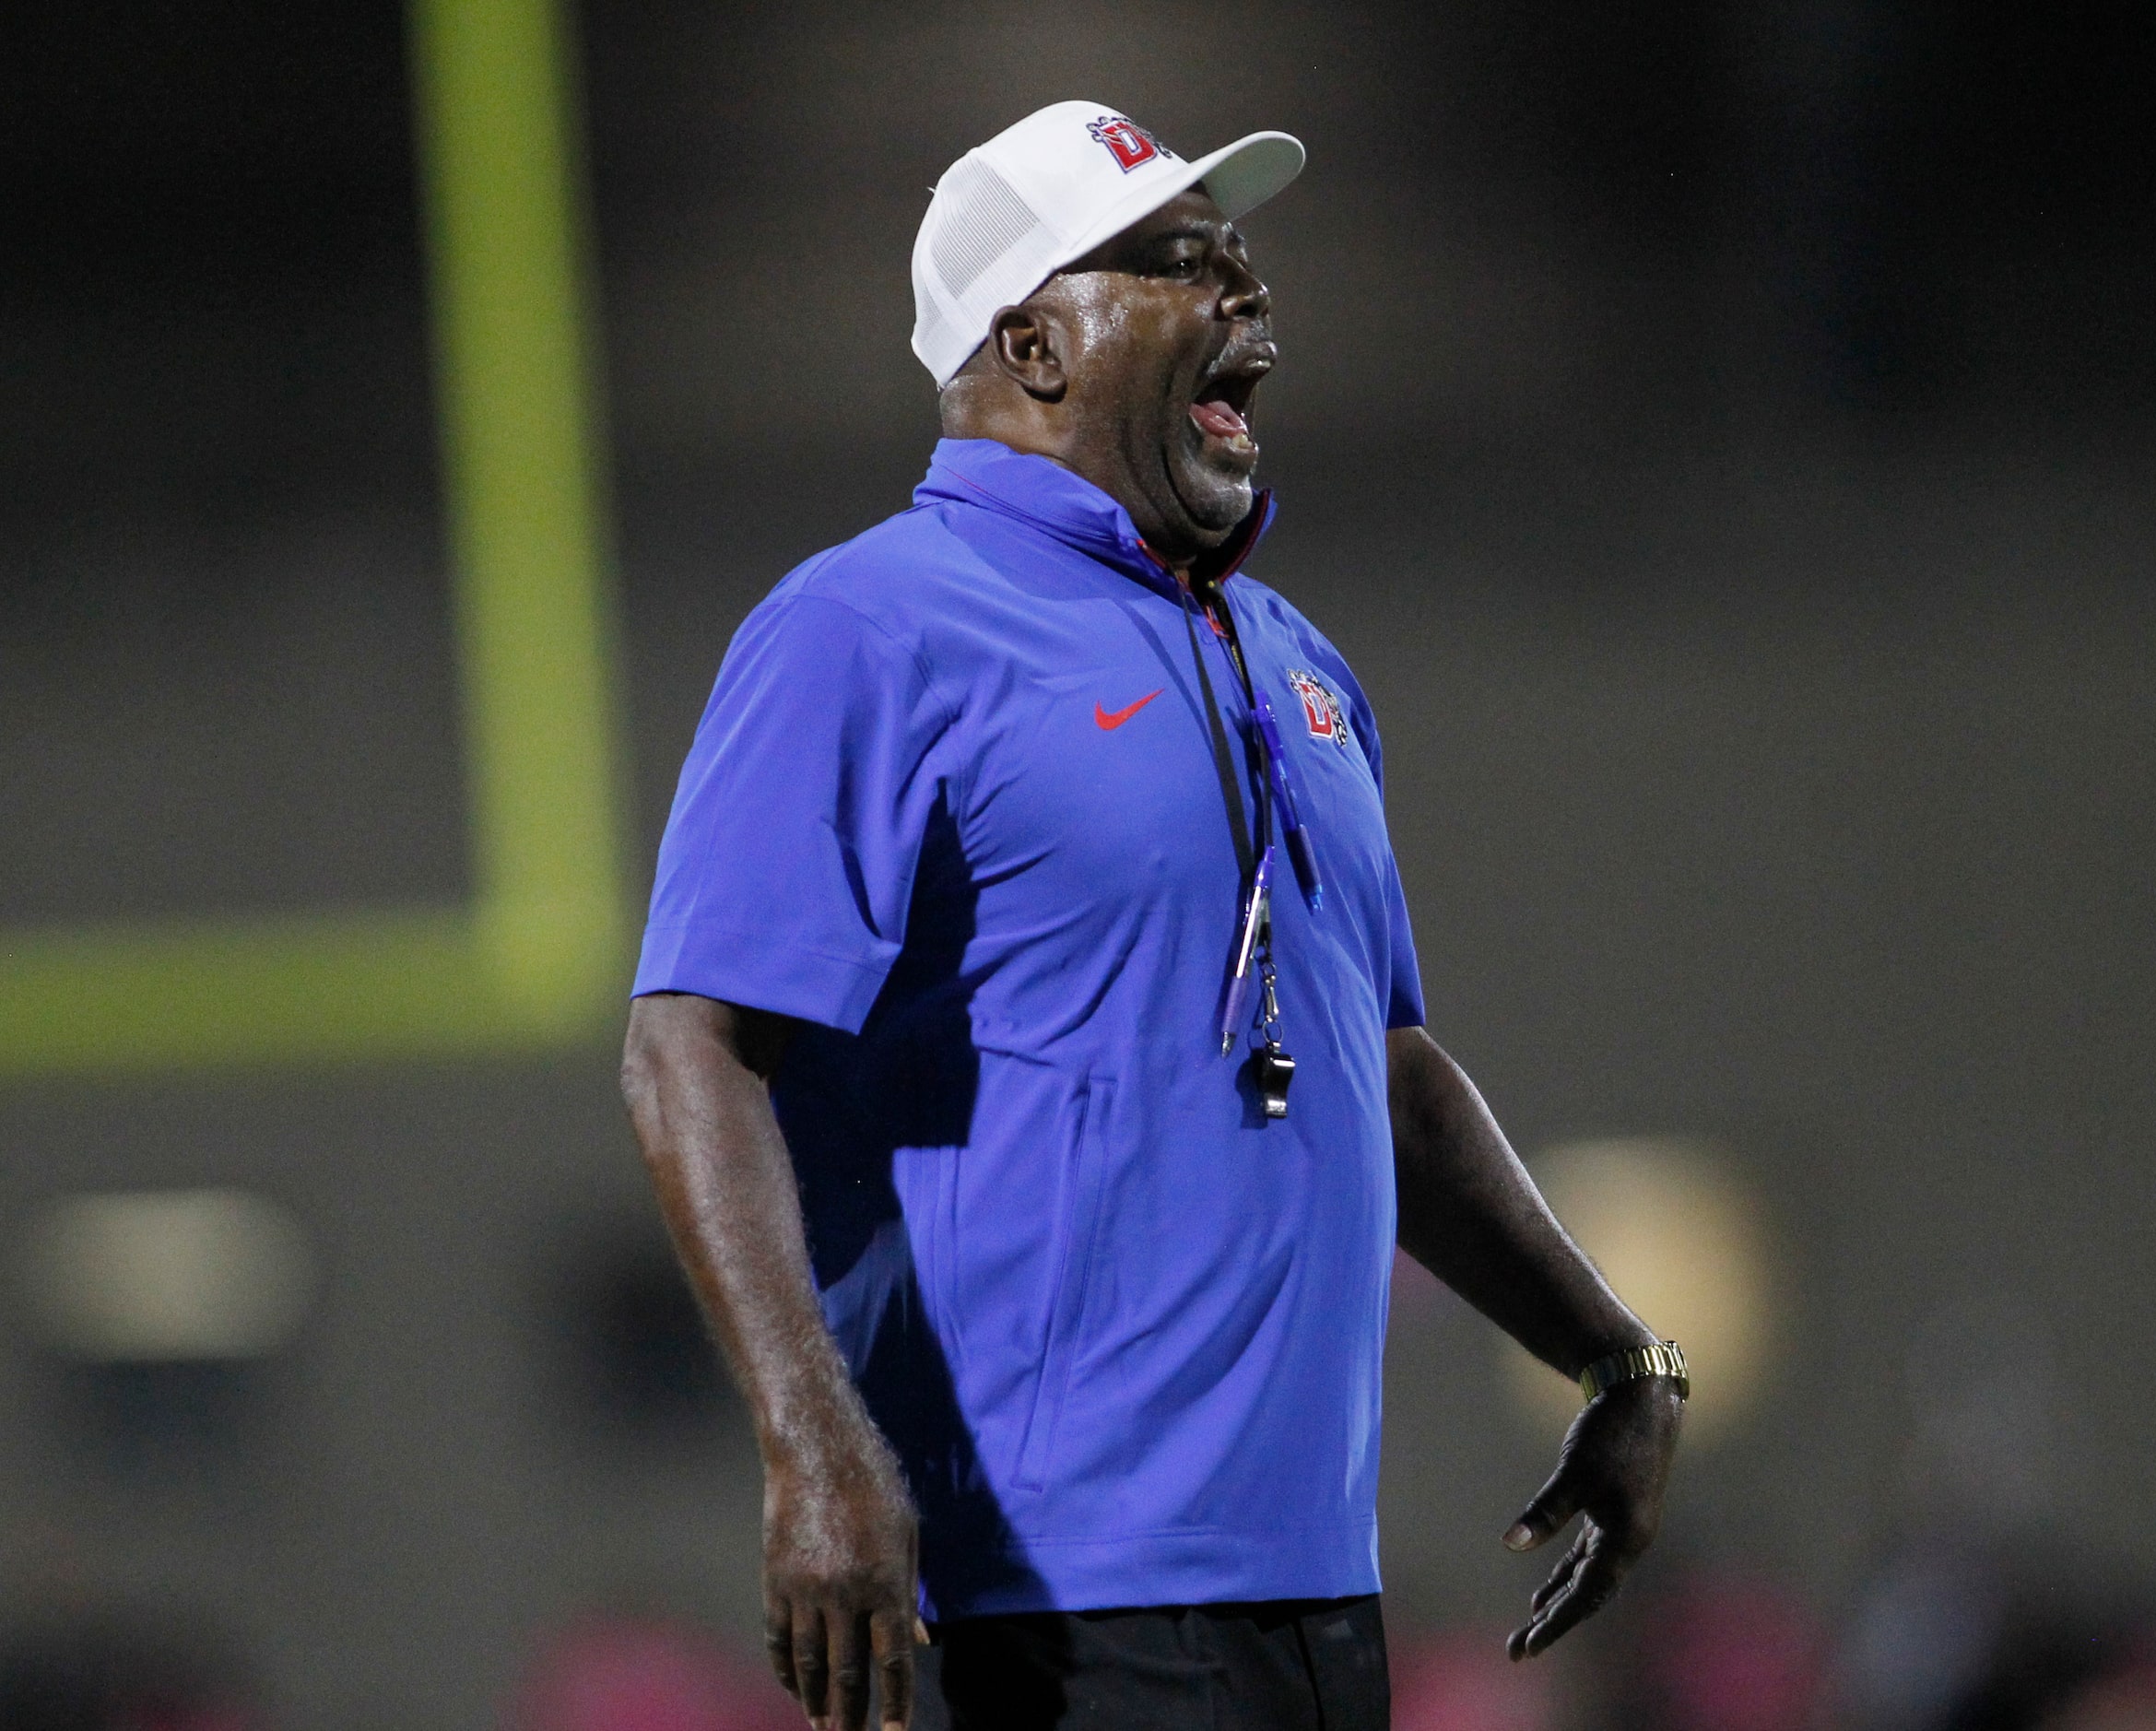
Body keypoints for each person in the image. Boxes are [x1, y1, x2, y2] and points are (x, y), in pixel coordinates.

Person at [620, 100, 1685, 1731]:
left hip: (1316, 1581)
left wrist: (1617, 1355)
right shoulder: (867, 627)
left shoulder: (1294, 654)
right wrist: (813, 1447)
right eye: (1182, 264)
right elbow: (690, 1048)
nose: (1250, 300)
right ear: (1035, 341)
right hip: (1048, 1591)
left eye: (1243, 260)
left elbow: (1379, 1070)